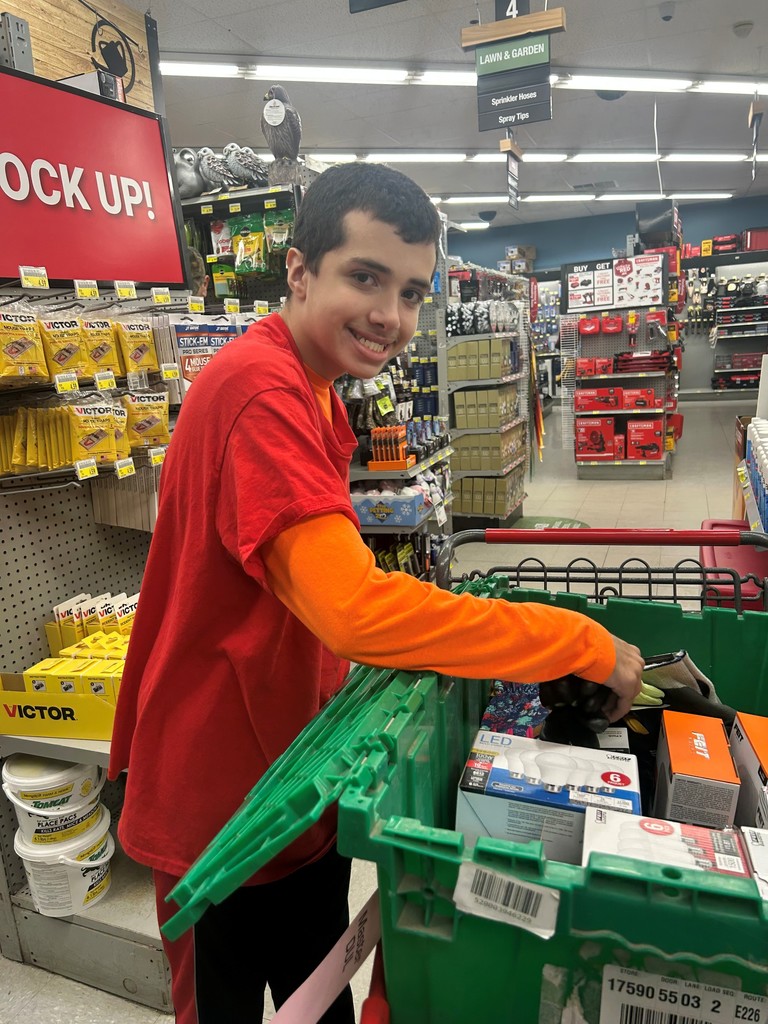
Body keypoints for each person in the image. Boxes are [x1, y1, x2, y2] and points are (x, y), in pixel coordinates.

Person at [108, 162, 643, 1024]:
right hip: (221, 815)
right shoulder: (258, 392)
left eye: (413, 291)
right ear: (297, 270)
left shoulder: (316, 391)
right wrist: (575, 640)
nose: (392, 317)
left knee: (318, 1001)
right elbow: (356, 611)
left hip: (291, 783)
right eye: (365, 277)